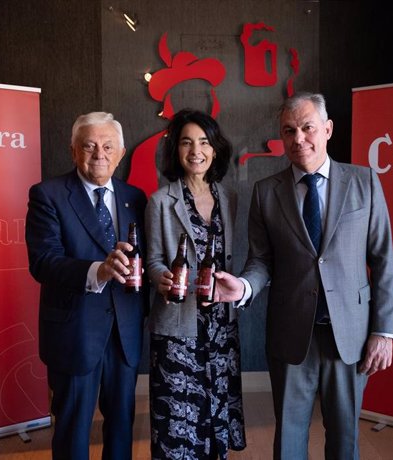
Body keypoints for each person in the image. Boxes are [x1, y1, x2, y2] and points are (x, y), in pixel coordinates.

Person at [213, 92, 393, 459]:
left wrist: (385, 330)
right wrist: (244, 286)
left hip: (350, 335)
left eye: (307, 127)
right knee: (289, 437)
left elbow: (383, 259)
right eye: (289, 130)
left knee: (345, 439)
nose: (299, 138)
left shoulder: (364, 182)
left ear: (327, 129)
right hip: (290, 333)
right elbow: (262, 260)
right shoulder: (266, 192)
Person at [25, 112, 148, 460]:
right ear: (73, 150)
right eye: (89, 145)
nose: (99, 154)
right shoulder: (48, 195)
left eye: (108, 146)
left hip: (124, 332)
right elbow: (43, 262)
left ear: (121, 152)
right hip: (74, 331)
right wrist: (99, 270)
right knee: (73, 428)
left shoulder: (135, 198)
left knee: (122, 424)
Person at [145, 109, 246, 459]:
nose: (195, 150)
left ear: (216, 149)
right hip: (177, 325)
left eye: (204, 142)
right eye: (186, 142)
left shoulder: (229, 198)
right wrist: (163, 278)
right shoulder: (160, 201)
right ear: (176, 150)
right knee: (178, 421)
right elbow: (153, 261)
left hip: (221, 325)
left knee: (216, 414)